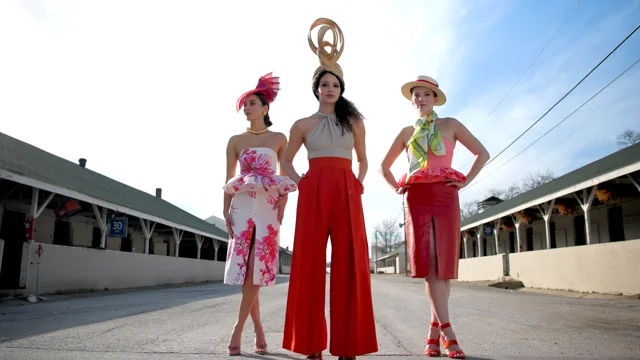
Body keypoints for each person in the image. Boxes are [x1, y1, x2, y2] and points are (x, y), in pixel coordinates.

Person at [281, 18, 378, 360]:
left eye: (335, 84)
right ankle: (310, 346)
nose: (330, 89)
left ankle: (347, 346)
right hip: (313, 191)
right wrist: (301, 182)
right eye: (325, 84)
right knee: (307, 264)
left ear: (342, 88)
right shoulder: (302, 124)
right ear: (316, 88)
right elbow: (287, 163)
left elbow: (364, 160)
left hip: (347, 190)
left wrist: (358, 182)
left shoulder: (353, 122)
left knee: (349, 264)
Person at [379, 75, 489, 359]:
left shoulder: (450, 125)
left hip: (446, 195)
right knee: (429, 263)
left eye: (426, 94)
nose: (420, 99)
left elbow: (482, 153)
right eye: (416, 95)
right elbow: (384, 166)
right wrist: (396, 186)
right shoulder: (406, 132)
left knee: (443, 266)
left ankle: (432, 331)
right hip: (416, 197)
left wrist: (464, 180)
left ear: (436, 97)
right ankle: (448, 333)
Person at [223, 72, 297, 356]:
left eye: (252, 103)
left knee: (257, 266)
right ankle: (259, 330)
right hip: (241, 205)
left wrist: (284, 204)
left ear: (265, 108)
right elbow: (228, 178)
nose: (247, 107)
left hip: (268, 206)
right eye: (245, 104)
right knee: (245, 271)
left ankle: (238, 329)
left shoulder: (279, 138)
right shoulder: (235, 140)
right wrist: (224, 211)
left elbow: (285, 171)